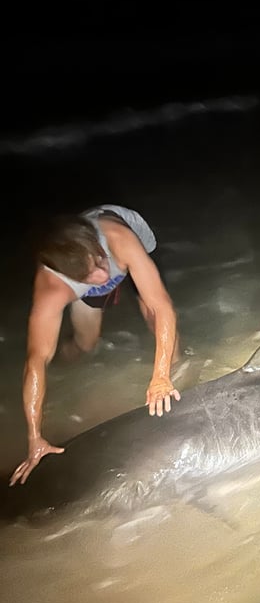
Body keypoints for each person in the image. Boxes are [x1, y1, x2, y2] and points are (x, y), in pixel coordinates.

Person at [9, 205, 181, 486]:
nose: (103, 278)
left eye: (99, 265)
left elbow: (163, 307)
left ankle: (177, 374)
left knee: (154, 317)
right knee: (85, 343)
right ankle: (70, 367)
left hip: (129, 250)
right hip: (86, 270)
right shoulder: (53, 285)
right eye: (90, 276)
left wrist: (160, 376)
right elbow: (36, 359)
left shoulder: (120, 237)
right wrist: (34, 437)